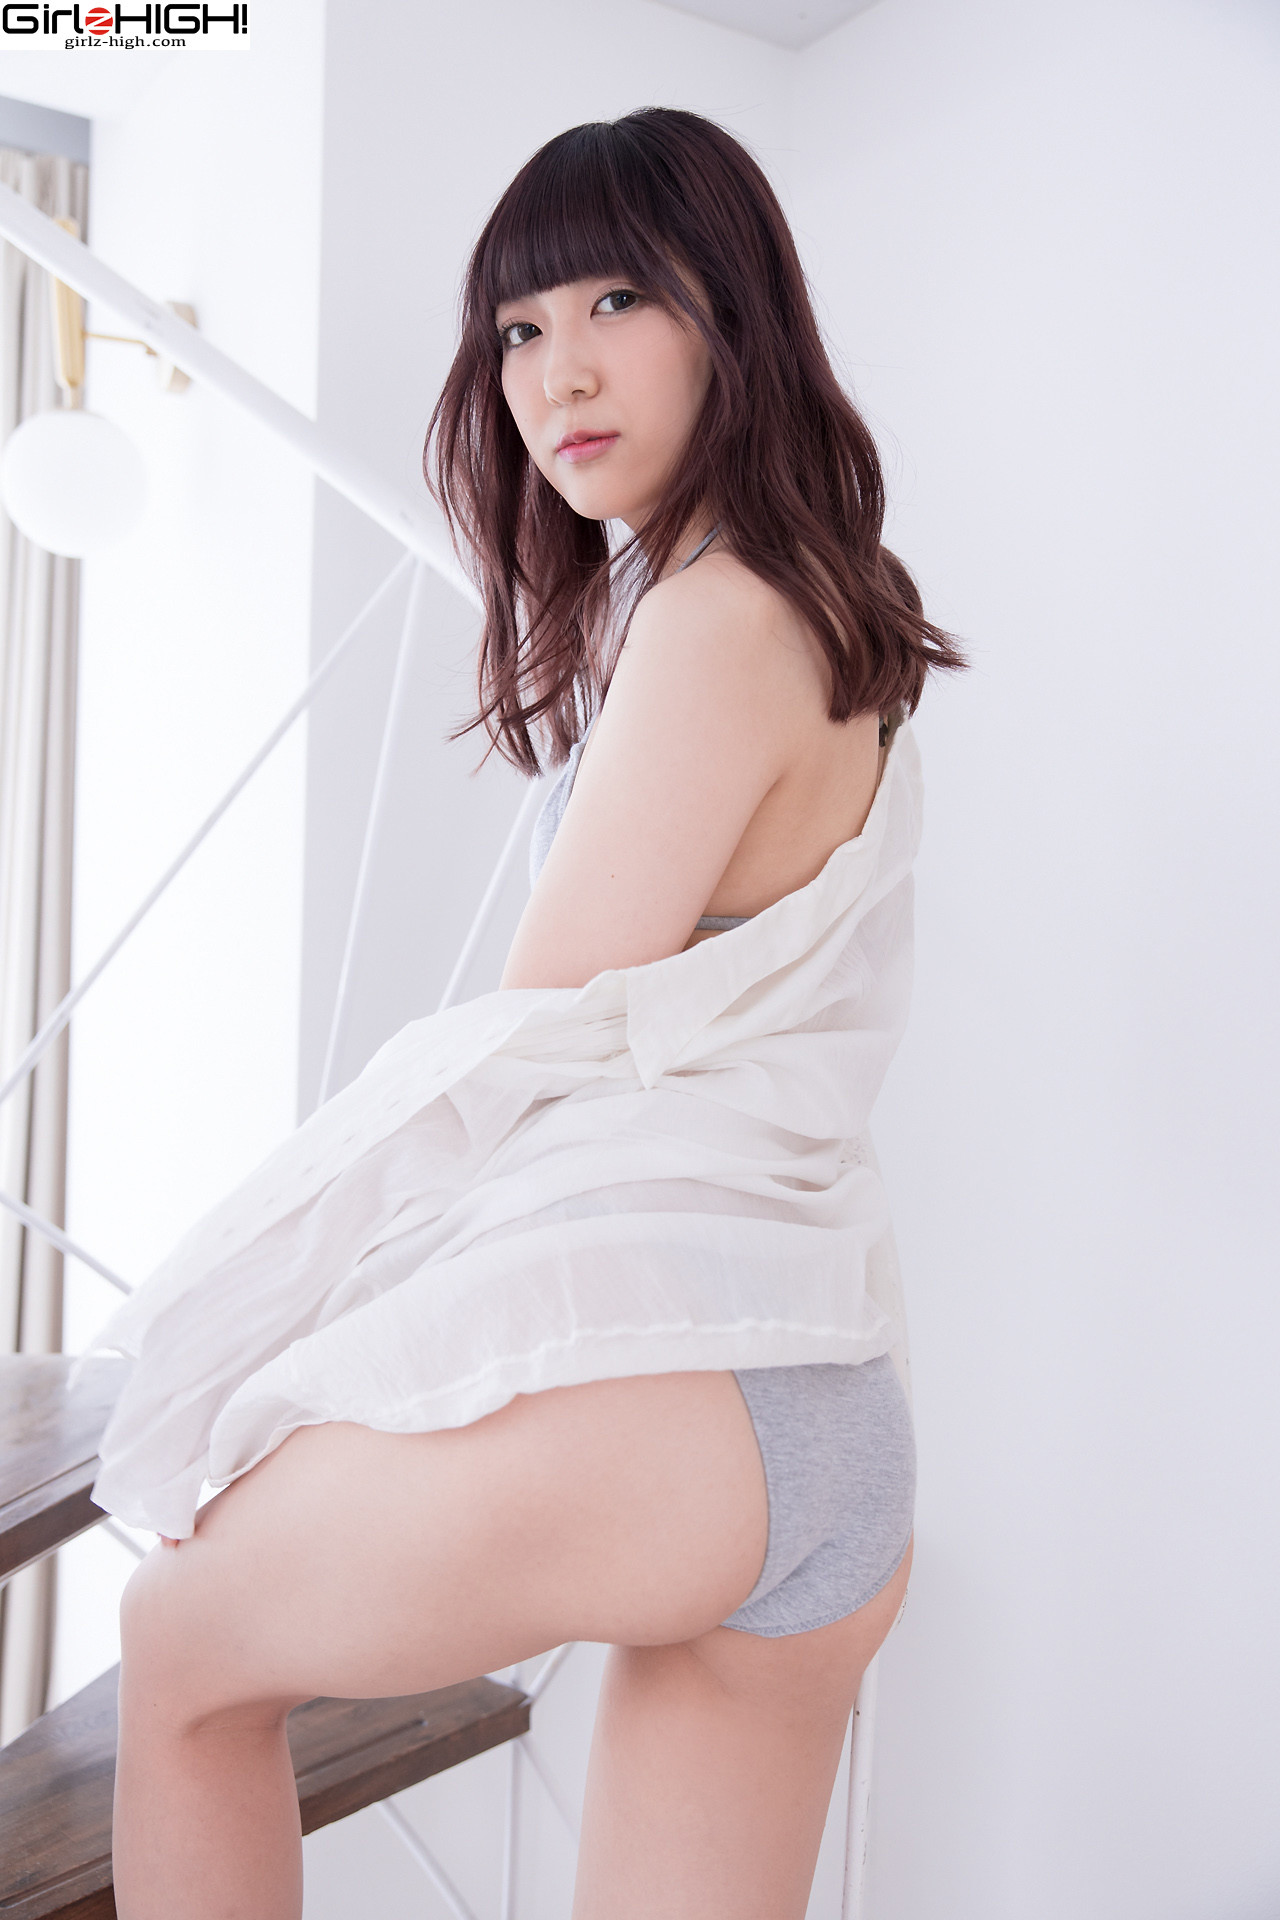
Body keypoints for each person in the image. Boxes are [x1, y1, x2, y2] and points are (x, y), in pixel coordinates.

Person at [102, 108, 964, 1919]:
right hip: (819, 1409)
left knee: (180, 1647)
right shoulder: (831, 606)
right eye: (518, 328)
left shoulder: (716, 620)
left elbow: (524, 1048)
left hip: (698, 1391)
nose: (556, 373)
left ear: (731, 313)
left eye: (617, 302)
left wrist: (263, 1342)